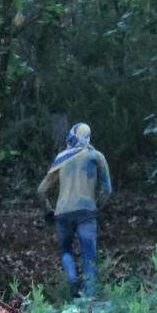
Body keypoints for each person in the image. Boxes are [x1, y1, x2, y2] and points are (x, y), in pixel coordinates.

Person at [37, 122, 112, 298]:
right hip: (87, 212)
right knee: (89, 255)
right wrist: (96, 205)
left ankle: (72, 282)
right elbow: (107, 190)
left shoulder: (62, 158)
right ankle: (90, 299)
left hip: (62, 214)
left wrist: (48, 211)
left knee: (65, 250)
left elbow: (41, 191)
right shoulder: (96, 156)